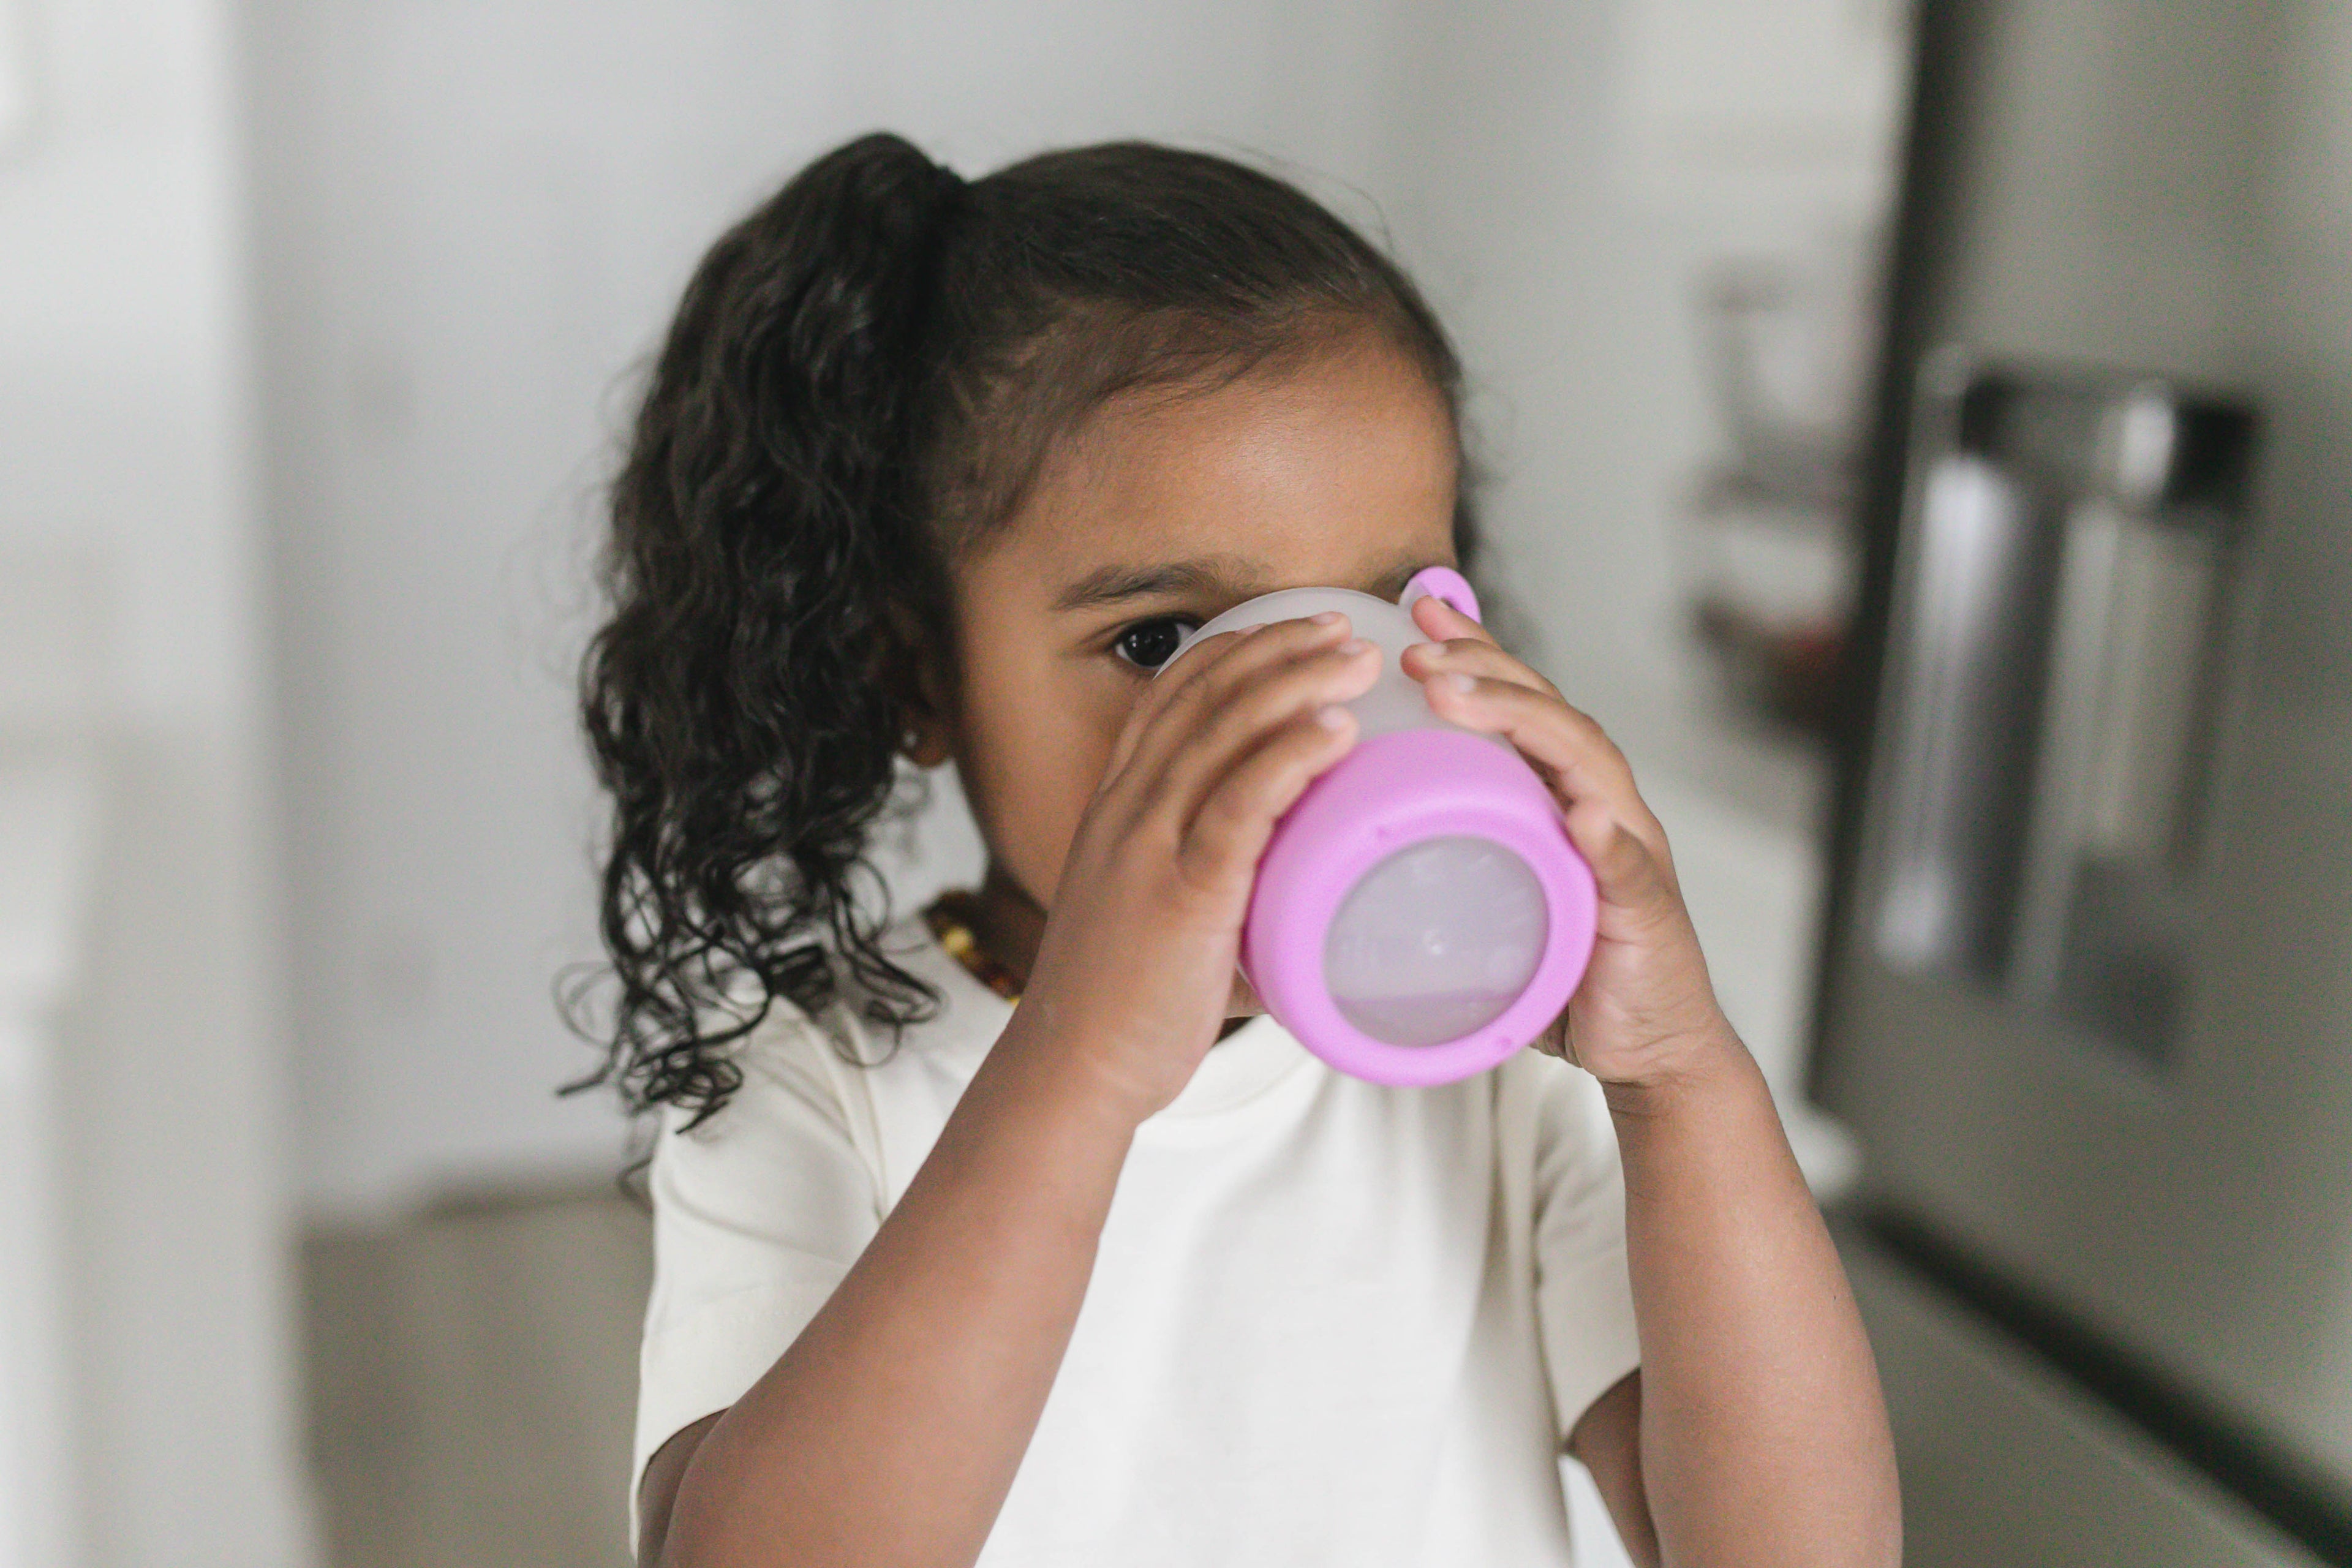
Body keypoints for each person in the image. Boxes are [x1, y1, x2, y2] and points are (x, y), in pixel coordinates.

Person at [574, 131, 1900, 1568]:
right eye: (1162, 643)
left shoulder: (1512, 1078)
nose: (1311, 727)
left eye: (1386, 612)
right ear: (919, 680)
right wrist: (1082, 1065)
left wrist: (1685, 1079)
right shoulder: (818, 1088)